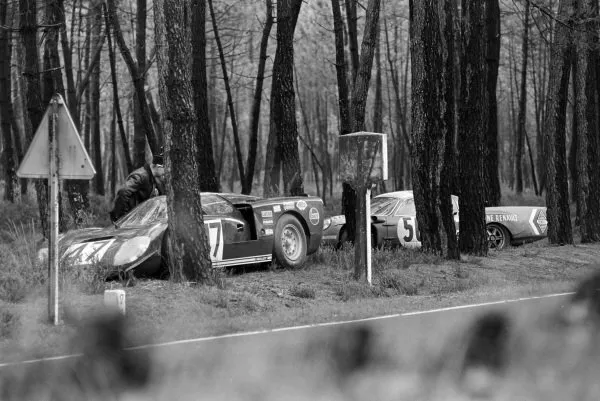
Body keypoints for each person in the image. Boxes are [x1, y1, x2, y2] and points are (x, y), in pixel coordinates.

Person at [110, 152, 165, 223]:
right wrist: (122, 217)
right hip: (130, 221)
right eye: (164, 168)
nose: (166, 172)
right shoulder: (141, 176)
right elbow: (123, 192)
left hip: (141, 221)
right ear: (157, 167)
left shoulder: (154, 178)